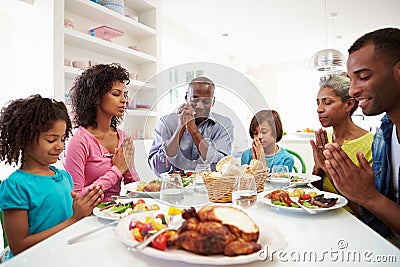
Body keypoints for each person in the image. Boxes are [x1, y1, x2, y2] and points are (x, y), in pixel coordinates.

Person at [0, 95, 103, 259]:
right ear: (26, 138)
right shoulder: (15, 186)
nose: (60, 146)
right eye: (51, 139)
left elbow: (66, 222)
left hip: (60, 255)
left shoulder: (64, 177)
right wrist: (74, 219)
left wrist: (84, 211)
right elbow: (19, 247)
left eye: (62, 139)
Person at [322, 27, 400, 246]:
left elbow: (369, 204)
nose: (353, 91)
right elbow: (376, 222)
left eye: (363, 77)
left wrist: (367, 196)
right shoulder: (383, 137)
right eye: (350, 80)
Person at [62, 63, 139, 202]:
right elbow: (76, 199)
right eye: (116, 94)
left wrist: (127, 168)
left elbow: (133, 187)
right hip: (89, 218)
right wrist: (116, 170)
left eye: (125, 94)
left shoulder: (123, 137)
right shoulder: (78, 141)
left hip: (117, 212)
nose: (124, 100)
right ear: (96, 97)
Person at [310, 73, 374, 216]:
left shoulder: (371, 144)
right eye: (318, 103)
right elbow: (315, 192)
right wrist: (318, 167)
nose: (319, 109)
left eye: (327, 102)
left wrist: (328, 168)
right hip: (322, 216)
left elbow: (367, 213)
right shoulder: (325, 138)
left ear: (349, 104)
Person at [148, 76, 234, 175]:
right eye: (195, 99)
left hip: (209, 188)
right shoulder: (165, 123)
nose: (200, 106)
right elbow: (158, 168)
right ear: (186, 98)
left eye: (206, 101)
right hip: (174, 187)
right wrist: (180, 128)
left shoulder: (224, 125)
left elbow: (221, 168)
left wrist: (194, 131)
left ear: (213, 101)